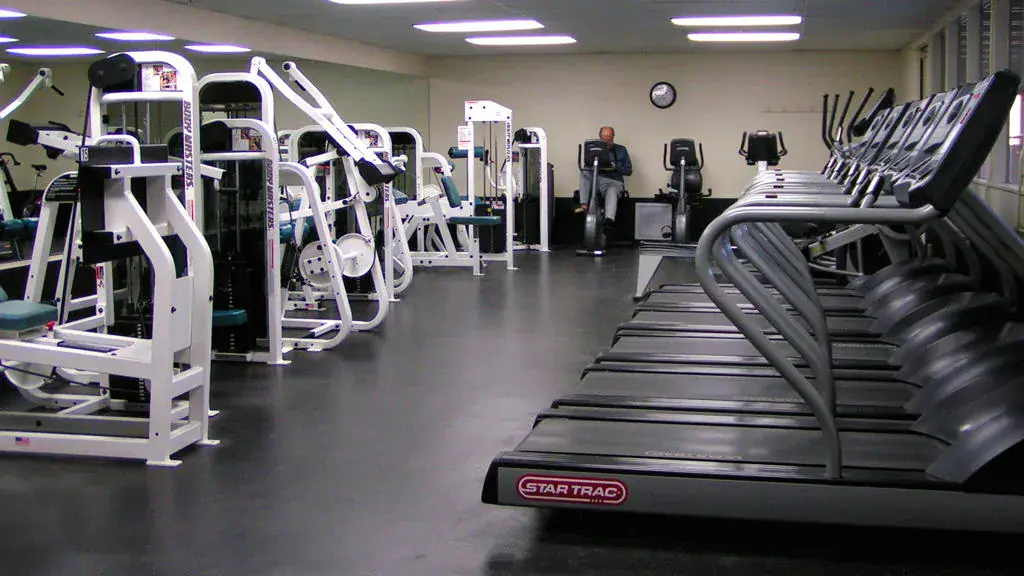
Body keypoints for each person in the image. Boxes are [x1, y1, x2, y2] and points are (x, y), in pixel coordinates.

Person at [577, 126, 632, 234]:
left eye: (609, 139)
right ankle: (584, 205)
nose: (607, 142)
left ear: (613, 137)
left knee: (612, 190)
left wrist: (616, 166)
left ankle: (609, 221)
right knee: (585, 172)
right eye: (604, 139)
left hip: (612, 180)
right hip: (596, 179)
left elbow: (628, 171)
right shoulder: (593, 149)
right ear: (600, 137)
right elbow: (587, 166)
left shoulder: (621, 150)